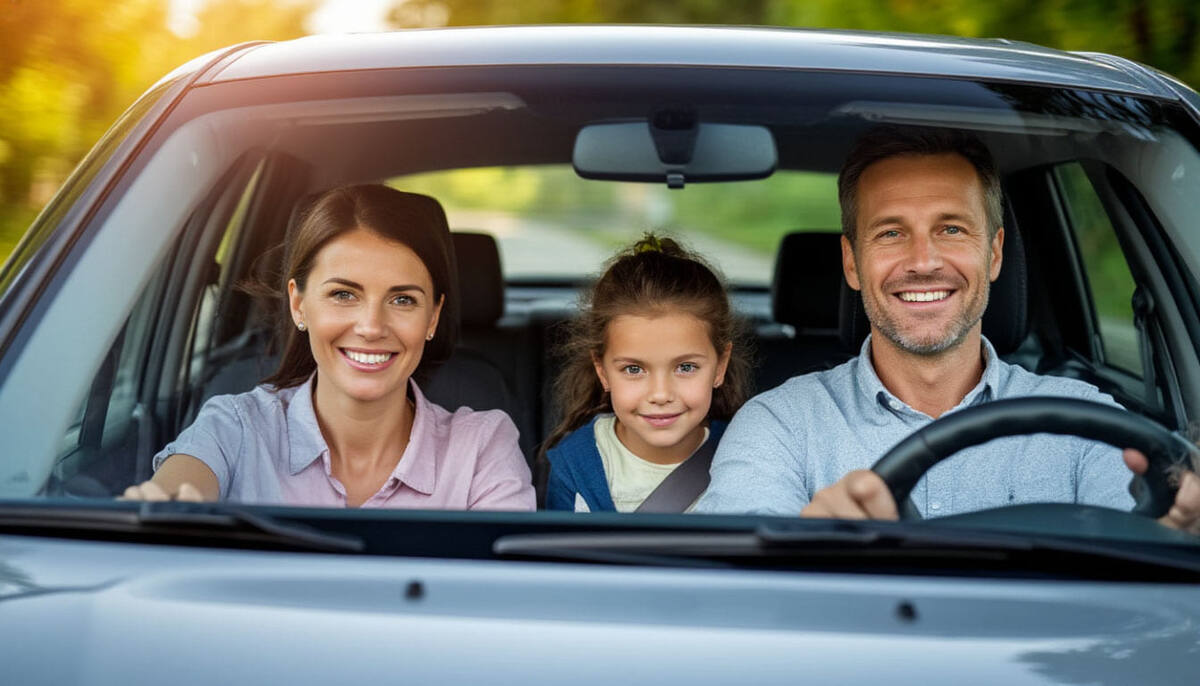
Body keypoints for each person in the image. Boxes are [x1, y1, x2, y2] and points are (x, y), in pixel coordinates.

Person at [696, 127, 1200, 532]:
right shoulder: (778, 425)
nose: (923, 262)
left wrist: (1174, 535)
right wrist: (805, 549)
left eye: (951, 229)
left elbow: (1138, 587)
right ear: (851, 263)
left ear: (995, 252)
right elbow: (737, 598)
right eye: (891, 233)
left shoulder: (1089, 425)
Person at [122, 185, 535, 510]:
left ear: (432, 318)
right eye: (343, 295)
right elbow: (179, 487)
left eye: (402, 299)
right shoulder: (236, 427)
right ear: (298, 304)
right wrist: (165, 507)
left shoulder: (482, 445)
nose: (372, 327)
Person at [543, 235, 752, 513]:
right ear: (602, 372)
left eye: (686, 367)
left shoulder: (746, 455)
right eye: (634, 369)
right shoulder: (575, 464)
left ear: (720, 366)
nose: (661, 394)